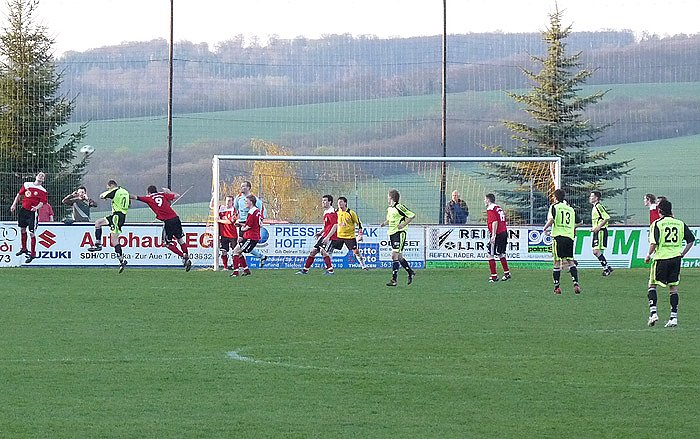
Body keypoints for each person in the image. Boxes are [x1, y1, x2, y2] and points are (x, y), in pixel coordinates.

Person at [644, 199, 694, 328]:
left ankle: (653, 313)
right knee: (673, 288)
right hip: (675, 259)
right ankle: (673, 317)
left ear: (660, 211)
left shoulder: (657, 224)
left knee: (652, 285)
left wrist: (648, 255)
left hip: (661, 259)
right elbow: (691, 240)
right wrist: (682, 253)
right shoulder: (680, 223)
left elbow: (654, 242)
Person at [131, 185, 192, 271]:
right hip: (176, 218)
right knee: (180, 240)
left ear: (148, 192)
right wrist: (168, 192)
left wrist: (125, 195)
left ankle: (183, 256)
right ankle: (187, 259)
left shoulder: (149, 198)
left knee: (166, 244)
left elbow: (135, 197)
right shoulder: (162, 194)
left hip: (168, 221)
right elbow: (177, 195)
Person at [543, 188, 581, 295]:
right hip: (569, 237)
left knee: (557, 262)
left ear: (555, 197)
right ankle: (576, 283)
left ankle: (557, 287)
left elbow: (551, 220)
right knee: (570, 261)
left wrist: (545, 228)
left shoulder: (554, 207)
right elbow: (579, 222)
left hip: (558, 237)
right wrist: (571, 228)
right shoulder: (570, 209)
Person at [87, 180, 130, 273]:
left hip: (117, 217)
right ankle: (98, 244)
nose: (108, 189)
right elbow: (128, 203)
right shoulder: (125, 192)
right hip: (119, 215)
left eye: (108, 188)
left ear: (111, 186)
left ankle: (122, 261)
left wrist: (105, 196)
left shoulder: (115, 191)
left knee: (114, 241)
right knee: (98, 223)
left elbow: (102, 195)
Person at [379, 189, 416, 287]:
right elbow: (390, 219)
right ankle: (410, 272)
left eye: (388, 197)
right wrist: (384, 223)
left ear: (391, 197)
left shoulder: (399, 207)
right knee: (399, 257)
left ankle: (394, 280)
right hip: (392, 233)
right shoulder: (389, 209)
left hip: (399, 233)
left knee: (394, 255)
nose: (387, 198)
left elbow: (412, 215)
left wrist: (403, 224)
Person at [296, 194, 340, 275]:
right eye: (322, 201)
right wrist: (320, 232)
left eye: (325, 200)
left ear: (330, 202)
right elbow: (328, 226)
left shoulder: (332, 212)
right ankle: (305, 270)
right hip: (324, 235)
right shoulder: (326, 212)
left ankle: (330, 271)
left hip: (331, 237)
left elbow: (335, 225)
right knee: (313, 252)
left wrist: (328, 237)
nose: (323, 202)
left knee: (324, 252)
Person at [9, 171, 47, 263]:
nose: (41, 177)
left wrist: (36, 208)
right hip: (23, 210)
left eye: (43, 176)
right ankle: (24, 248)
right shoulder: (27, 184)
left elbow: (42, 202)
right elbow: (19, 194)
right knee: (22, 229)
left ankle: (33, 254)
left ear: (43, 180)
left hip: (32, 213)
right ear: (36, 176)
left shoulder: (43, 190)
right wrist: (14, 204)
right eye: (40, 175)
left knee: (31, 233)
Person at [234, 181, 268, 267]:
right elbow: (236, 210)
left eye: (244, 186)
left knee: (243, 247)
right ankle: (260, 257)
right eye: (241, 186)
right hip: (242, 223)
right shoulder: (238, 199)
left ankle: (240, 266)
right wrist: (236, 219)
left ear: (248, 188)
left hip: (250, 224)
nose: (242, 188)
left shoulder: (255, 200)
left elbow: (261, 211)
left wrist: (260, 221)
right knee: (241, 245)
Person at [230, 195, 264, 277]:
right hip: (249, 236)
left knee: (236, 252)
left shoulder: (252, 213)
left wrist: (242, 228)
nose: (245, 203)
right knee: (236, 251)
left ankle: (236, 272)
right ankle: (246, 270)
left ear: (251, 202)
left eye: (246, 201)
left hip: (251, 237)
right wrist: (241, 225)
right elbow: (255, 224)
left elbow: (248, 226)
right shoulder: (256, 211)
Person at [484, 193, 511, 282]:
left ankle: (494, 276)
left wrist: (493, 235)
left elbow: (495, 222)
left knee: (490, 254)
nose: (484, 201)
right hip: (504, 232)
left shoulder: (490, 209)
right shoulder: (498, 208)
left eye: (485, 199)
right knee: (500, 253)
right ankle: (507, 273)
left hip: (498, 233)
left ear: (488, 200)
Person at [336, 196, 367, 270]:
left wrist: (360, 234)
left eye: (341, 202)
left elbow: (359, 224)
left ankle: (363, 266)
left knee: (356, 251)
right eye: (338, 202)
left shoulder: (351, 213)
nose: (339, 203)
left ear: (345, 203)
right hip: (338, 235)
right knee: (329, 249)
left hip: (349, 236)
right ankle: (328, 267)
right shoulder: (336, 212)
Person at [589, 190, 613, 276]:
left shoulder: (599, 206)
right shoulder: (595, 207)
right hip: (597, 231)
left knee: (596, 251)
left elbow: (606, 217)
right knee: (595, 251)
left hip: (601, 231)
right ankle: (607, 267)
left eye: (592, 196)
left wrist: (598, 227)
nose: (590, 198)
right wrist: (594, 228)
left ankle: (606, 269)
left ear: (596, 198)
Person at [216, 195, 238, 270]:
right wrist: (213, 196)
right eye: (226, 200)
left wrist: (219, 220)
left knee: (235, 251)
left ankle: (237, 266)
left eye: (229, 201)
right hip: (224, 234)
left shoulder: (234, 210)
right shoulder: (222, 208)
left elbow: (230, 221)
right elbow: (212, 206)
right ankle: (225, 267)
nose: (227, 202)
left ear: (232, 202)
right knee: (224, 251)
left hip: (232, 234)